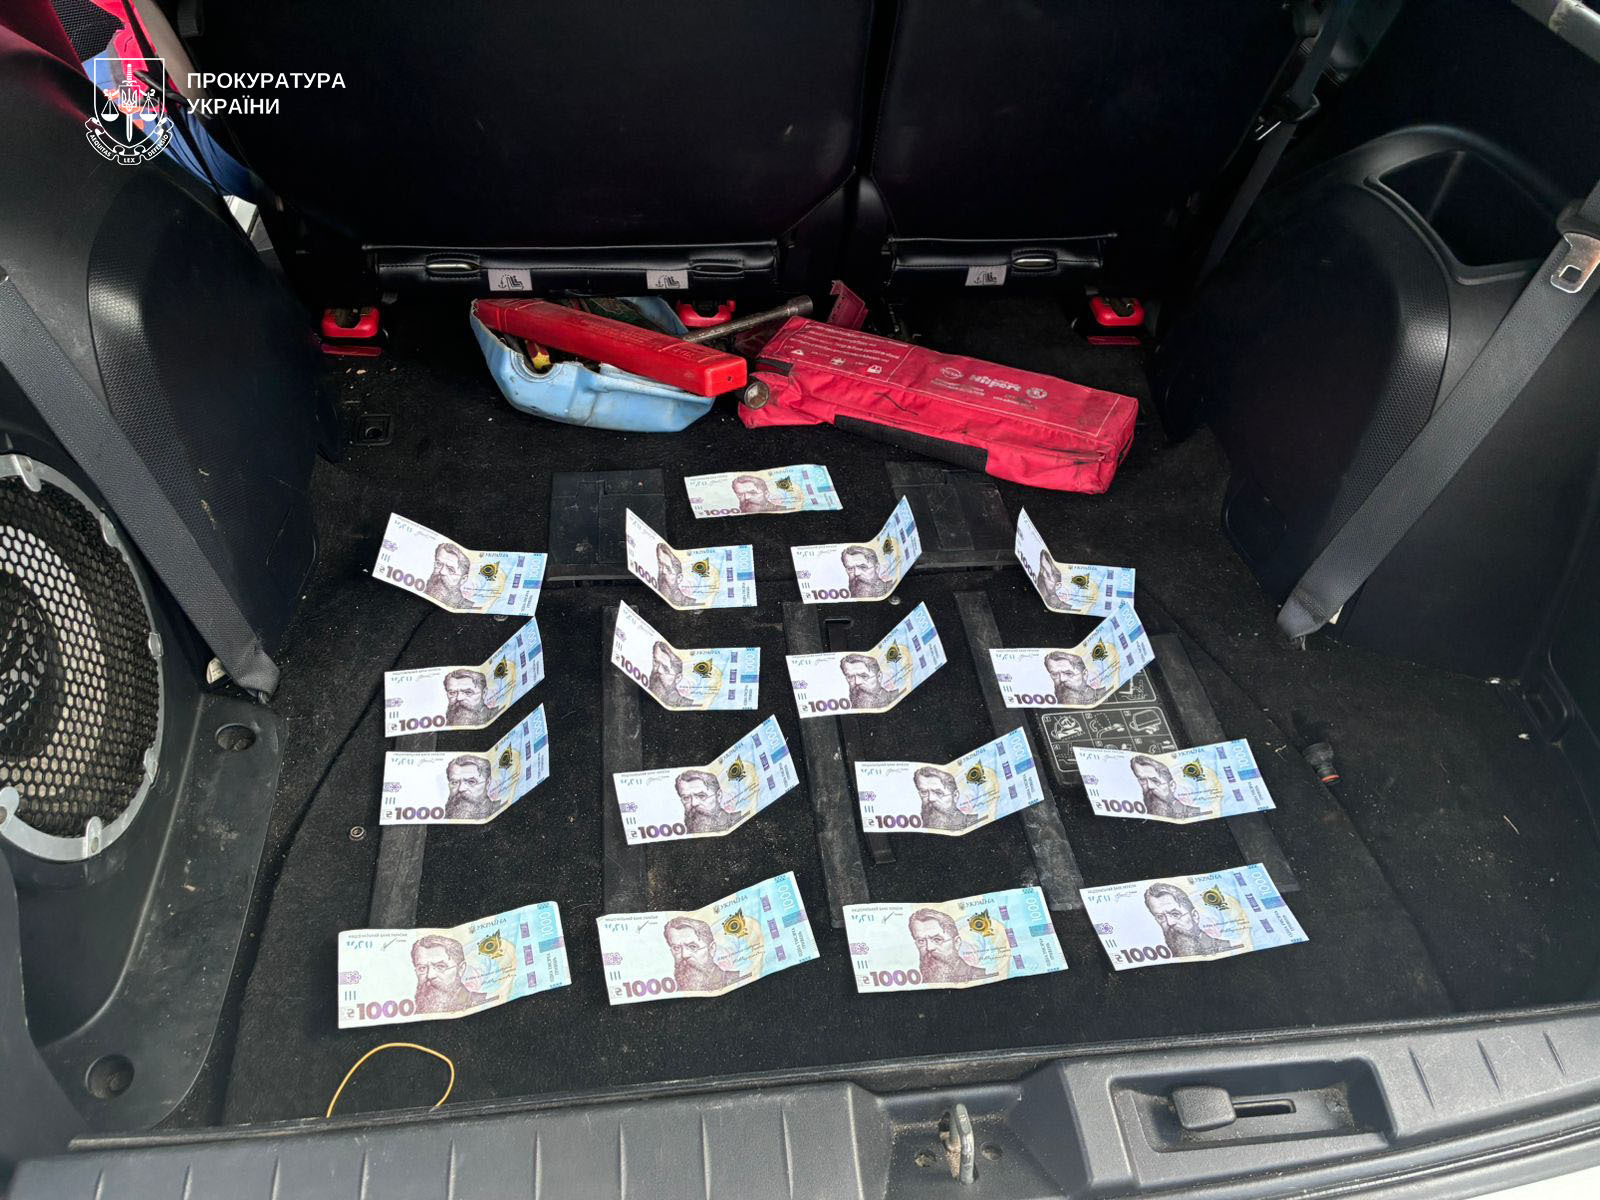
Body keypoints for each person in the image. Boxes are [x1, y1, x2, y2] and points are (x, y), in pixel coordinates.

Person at [1143, 883, 1240, 957]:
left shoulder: (1227, 948)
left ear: (1195, 916)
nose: (1170, 922)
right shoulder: (1168, 952)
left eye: (1175, 914)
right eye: (1160, 917)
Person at [907, 909, 991, 983]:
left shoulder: (983, 977)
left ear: (956, 943)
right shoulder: (923, 980)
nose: (929, 948)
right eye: (921, 941)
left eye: (937, 939)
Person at [411, 934, 488, 1013]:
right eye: (422, 968)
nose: (430, 975)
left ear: (461, 969)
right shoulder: (418, 1009)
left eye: (440, 966)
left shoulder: (483, 1002)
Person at [663, 916, 741, 992]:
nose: (684, 955)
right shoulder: (676, 988)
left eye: (692, 946)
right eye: (676, 948)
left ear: (711, 949)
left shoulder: (736, 979)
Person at [1128, 755, 1202, 820]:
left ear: (1172, 786)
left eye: (1155, 781)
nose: (1149, 786)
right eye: (1142, 780)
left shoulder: (1195, 813)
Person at [914, 766, 982, 831]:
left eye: (938, 793)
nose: (931, 798)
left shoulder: (973, 823)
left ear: (955, 796)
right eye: (924, 792)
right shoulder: (921, 823)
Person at [675, 769, 740, 834]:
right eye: (686, 798)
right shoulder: (687, 830)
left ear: (718, 796)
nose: (694, 803)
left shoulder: (738, 820)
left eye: (701, 796)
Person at [444, 754, 499, 821]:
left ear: (487, 783)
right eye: (454, 782)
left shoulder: (498, 811)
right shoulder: (447, 814)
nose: (461, 789)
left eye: (471, 782)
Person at [425, 542, 473, 608]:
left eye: (451, 570)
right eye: (439, 564)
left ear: (463, 579)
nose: (442, 572)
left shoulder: (469, 607)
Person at [647, 640, 691, 708]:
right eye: (656, 662)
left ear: (678, 678)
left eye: (665, 668)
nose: (658, 670)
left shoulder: (684, 704)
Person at [653, 542, 697, 608]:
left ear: (679, 578)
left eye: (668, 569)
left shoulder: (691, 603)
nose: (663, 572)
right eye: (660, 566)